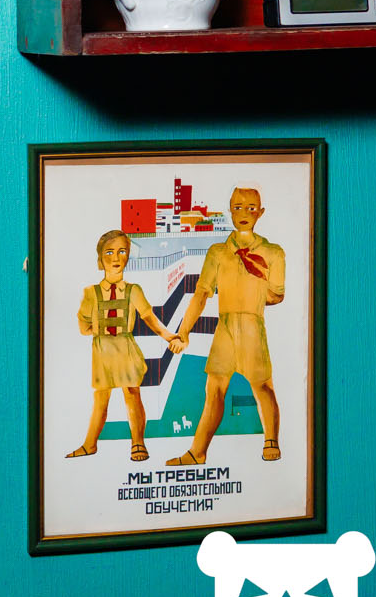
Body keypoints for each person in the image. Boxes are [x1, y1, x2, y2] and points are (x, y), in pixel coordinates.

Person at [169, 188, 286, 466]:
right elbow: (201, 293)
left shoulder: (273, 252)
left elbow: (277, 295)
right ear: (230, 210)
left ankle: (271, 441)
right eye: (238, 207)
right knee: (214, 390)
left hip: (253, 325)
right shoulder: (218, 253)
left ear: (260, 212)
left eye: (251, 208)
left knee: (263, 386)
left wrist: (254, 289)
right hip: (225, 328)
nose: (244, 213)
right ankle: (198, 452)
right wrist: (184, 331)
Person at [69, 230, 182, 463]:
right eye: (109, 252)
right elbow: (83, 326)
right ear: (100, 258)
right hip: (102, 352)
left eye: (122, 251)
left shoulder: (133, 290)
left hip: (126, 349)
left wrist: (170, 336)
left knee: (132, 394)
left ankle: (138, 443)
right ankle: (89, 444)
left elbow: (150, 317)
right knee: (101, 399)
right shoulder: (90, 293)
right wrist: (100, 330)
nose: (116, 257)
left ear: (128, 256)